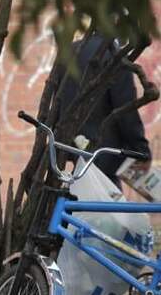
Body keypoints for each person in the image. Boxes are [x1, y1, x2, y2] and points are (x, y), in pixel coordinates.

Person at [56, 30, 152, 184]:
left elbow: (58, 101)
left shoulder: (69, 52)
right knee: (107, 205)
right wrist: (141, 152)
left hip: (73, 149)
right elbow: (126, 110)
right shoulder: (116, 56)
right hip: (105, 155)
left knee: (78, 200)